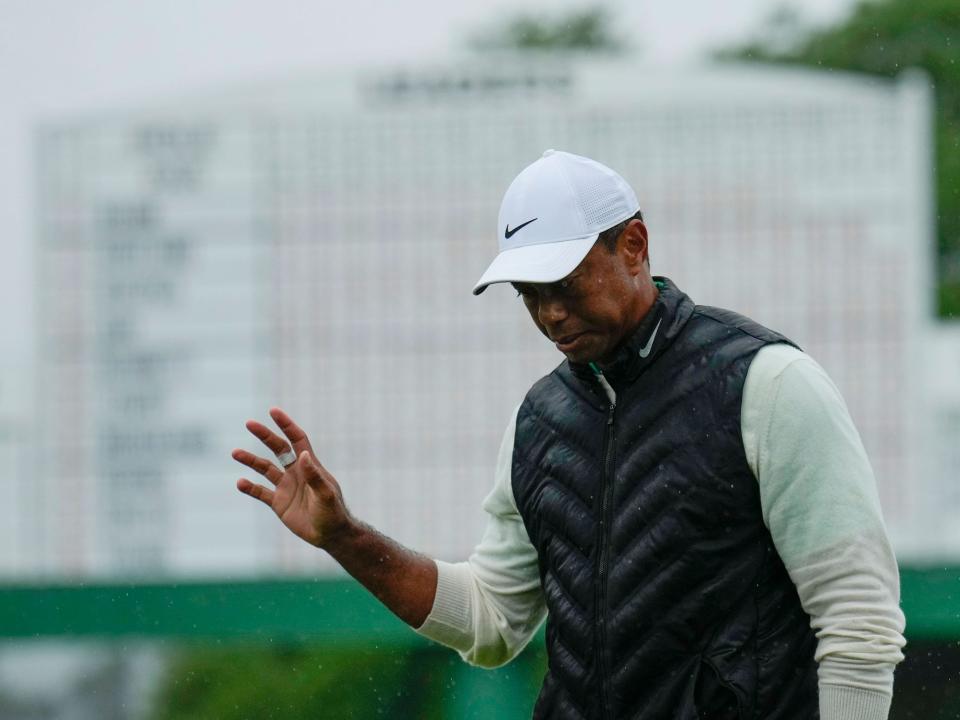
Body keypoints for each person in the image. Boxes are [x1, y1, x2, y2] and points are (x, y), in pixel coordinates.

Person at [233, 150, 906, 719]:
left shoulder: (770, 384)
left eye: (567, 279)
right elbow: (491, 623)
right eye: (528, 290)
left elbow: (859, 623)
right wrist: (347, 538)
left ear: (634, 245)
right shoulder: (539, 421)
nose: (550, 310)